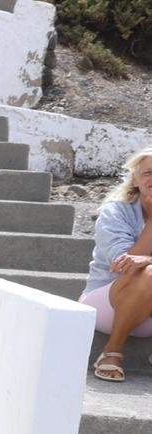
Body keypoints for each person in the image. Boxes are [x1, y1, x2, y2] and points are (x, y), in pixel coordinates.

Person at [86, 146, 152, 383]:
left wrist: (148, 259)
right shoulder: (115, 211)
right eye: (149, 173)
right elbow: (122, 265)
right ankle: (112, 351)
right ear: (135, 179)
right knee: (148, 274)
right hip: (109, 305)